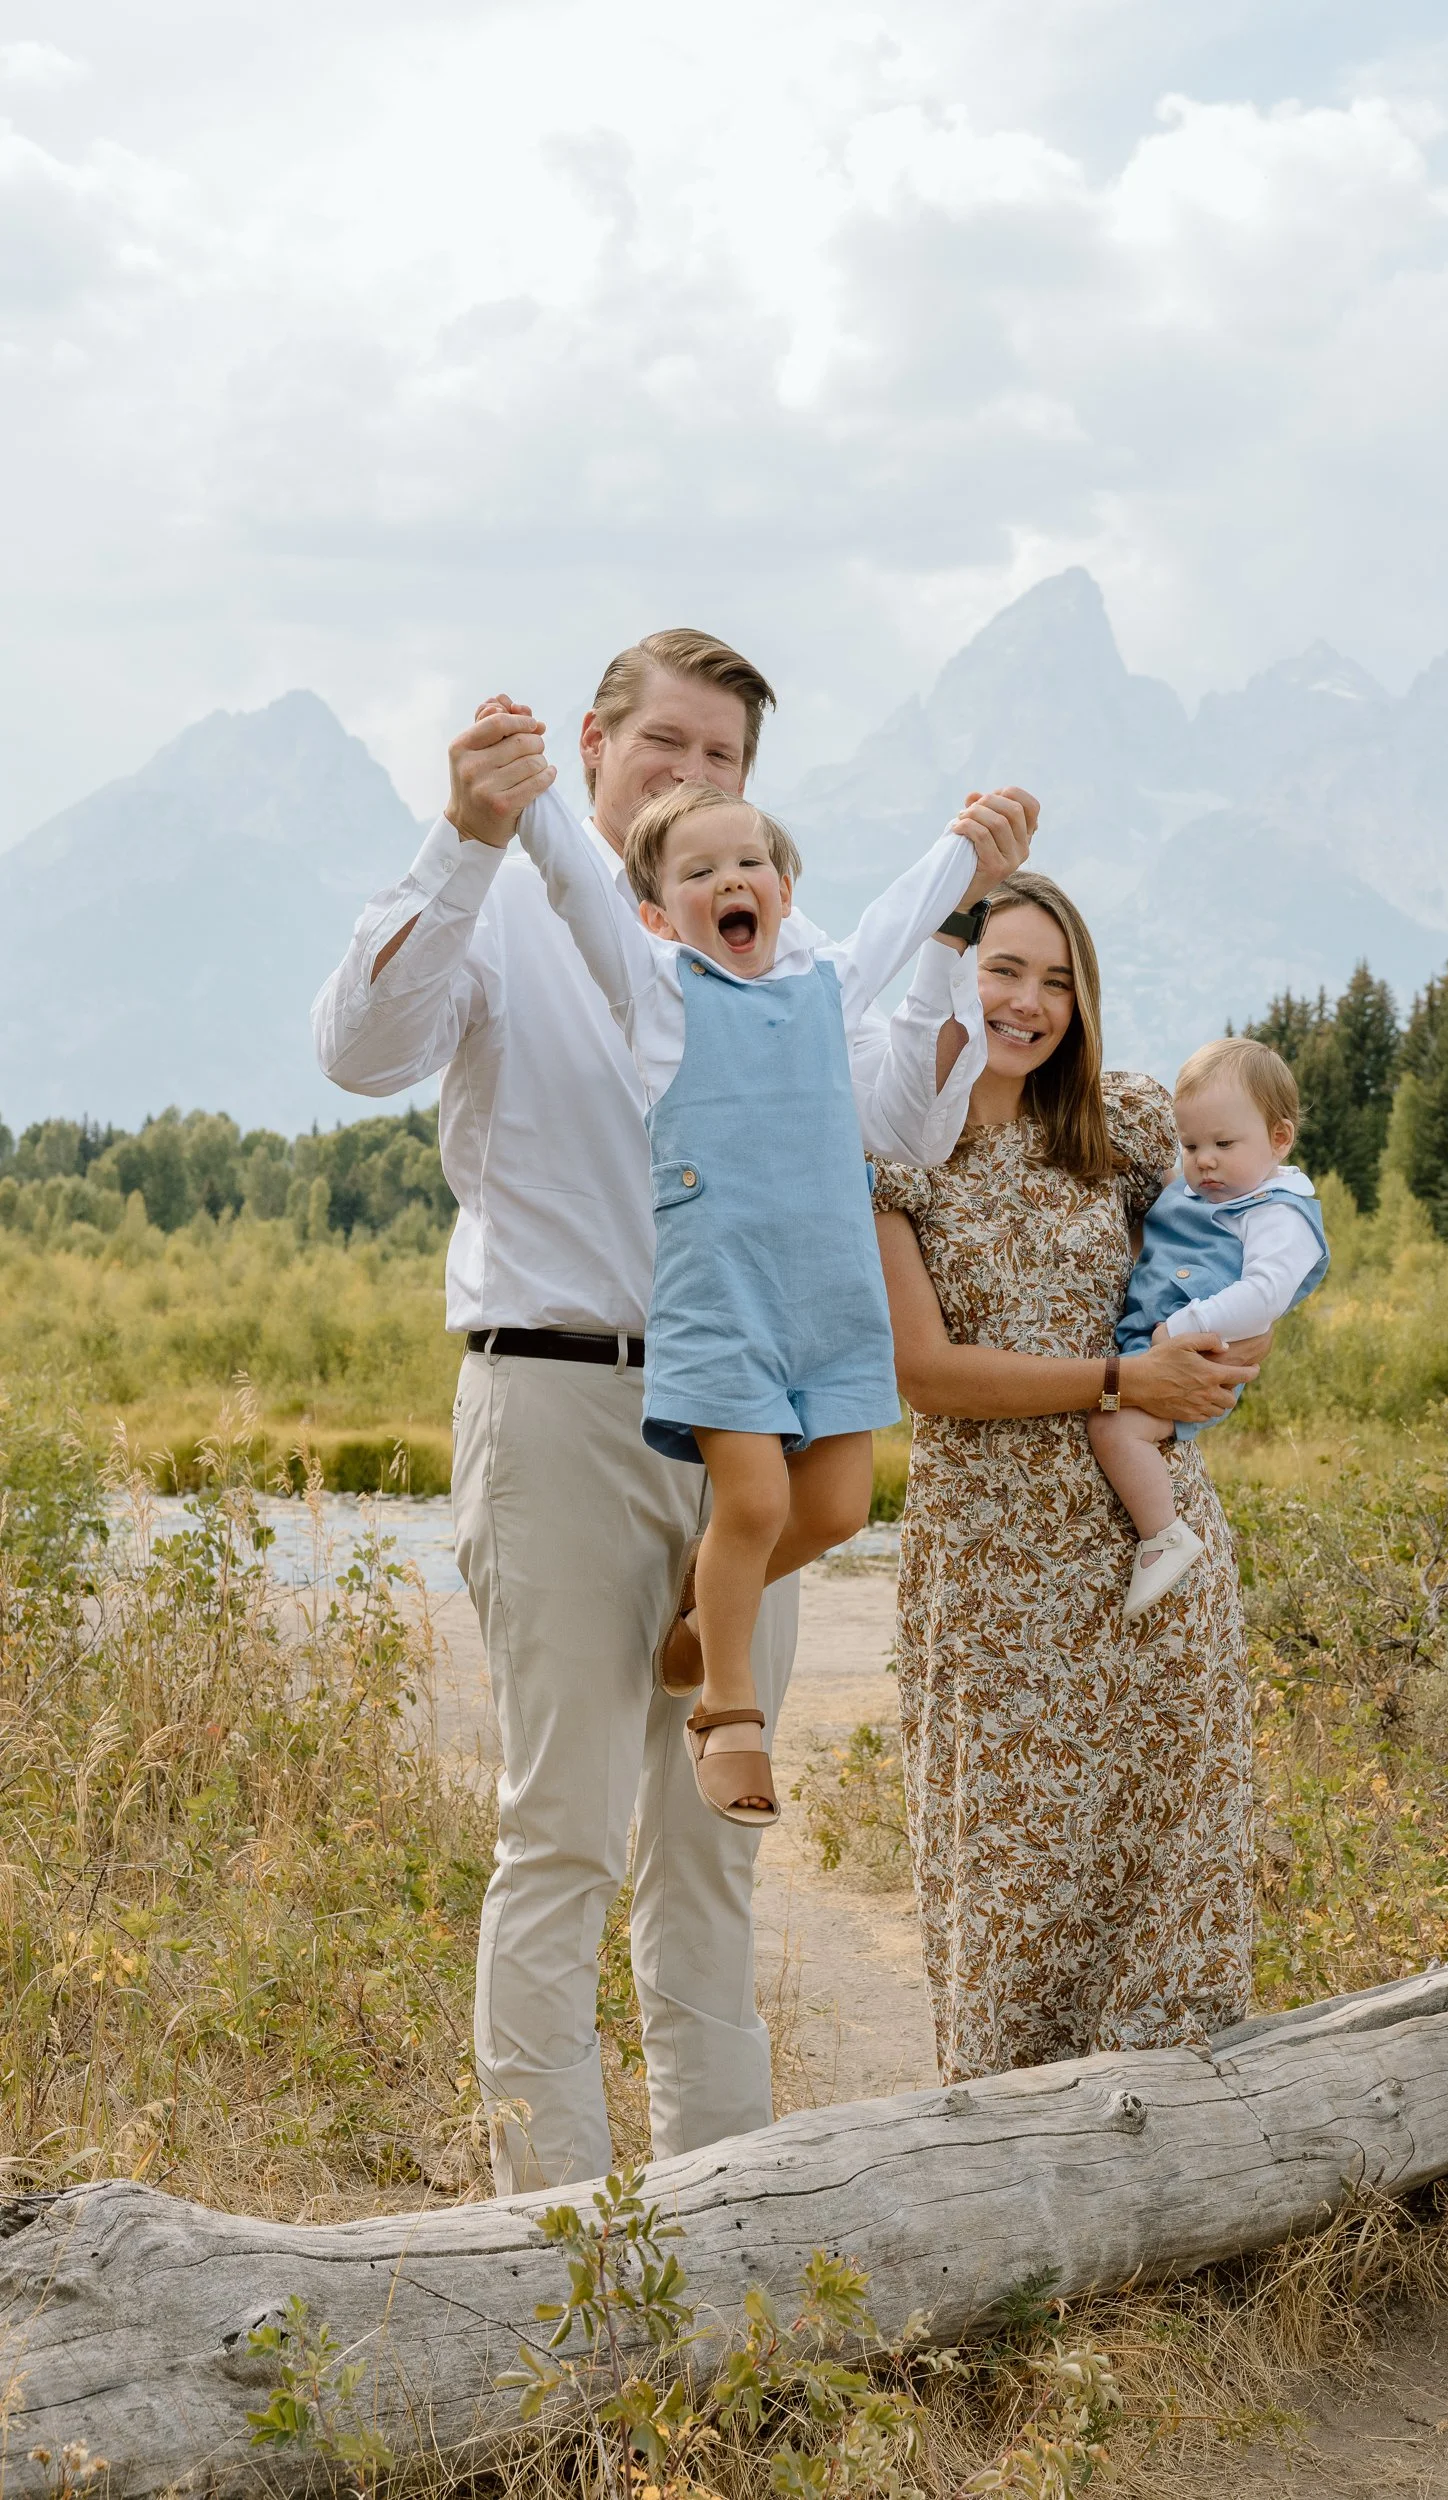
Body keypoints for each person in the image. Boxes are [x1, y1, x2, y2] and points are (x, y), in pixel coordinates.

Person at [312, 629, 1033, 2192]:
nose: (695, 780)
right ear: (592, 746)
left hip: (749, 1420)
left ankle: (722, 2237)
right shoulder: (505, 910)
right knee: (562, 1835)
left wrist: (947, 923)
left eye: (726, 765)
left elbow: (898, 1121)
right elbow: (355, 1053)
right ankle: (558, 2241)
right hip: (560, 1400)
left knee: (711, 1859)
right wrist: (463, 842)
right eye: (670, 748)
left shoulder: (775, 940)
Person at [515, 772, 1036, 1827]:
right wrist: (525, 798)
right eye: (699, 872)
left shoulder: (827, 984)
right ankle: (727, 1707)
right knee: (751, 1502)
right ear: (658, 915)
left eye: (749, 862)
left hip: (831, 1305)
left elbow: (900, 913)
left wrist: (969, 857)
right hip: (725, 1301)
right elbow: (575, 889)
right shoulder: (657, 997)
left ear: (785, 893)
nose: (731, 880)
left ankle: (695, 1613)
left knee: (837, 1508)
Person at [873, 869, 1266, 2082]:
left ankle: (1181, 2184)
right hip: (993, 1566)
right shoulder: (897, 1148)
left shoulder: (1131, 1122)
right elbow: (921, 1372)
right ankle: (1007, 2193)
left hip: (1150, 1541)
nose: (1028, 1003)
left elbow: (1251, 1229)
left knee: (1169, 1850)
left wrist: (1229, 1347)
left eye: (1055, 979)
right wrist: (1114, 1384)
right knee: (1013, 1867)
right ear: (951, 974)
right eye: (1002, 970)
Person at [1090, 1035, 1329, 1620]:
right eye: (1191, 1144)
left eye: (1224, 1143)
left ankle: (1164, 1535)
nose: (1204, 1160)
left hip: (1196, 1356)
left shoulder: (1277, 1211)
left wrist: (1187, 1323)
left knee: (1115, 1429)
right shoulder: (1204, 1193)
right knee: (1114, 1421)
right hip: (1157, 1344)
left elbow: (1266, 1294)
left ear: (1279, 1138)